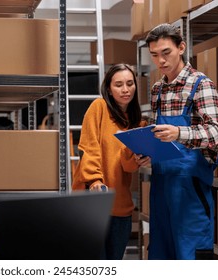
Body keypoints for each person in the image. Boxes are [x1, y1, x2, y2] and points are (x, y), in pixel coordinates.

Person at [141, 23, 218, 260]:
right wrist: (148, 151)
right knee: (161, 255)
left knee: (191, 257)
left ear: (181, 47)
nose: (161, 61)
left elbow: (217, 132)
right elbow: (161, 137)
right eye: (155, 55)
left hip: (191, 191)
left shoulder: (201, 84)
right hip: (161, 188)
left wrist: (179, 133)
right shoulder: (157, 89)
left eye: (166, 53)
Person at [72, 63, 147, 260]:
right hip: (93, 201)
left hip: (120, 205)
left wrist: (141, 157)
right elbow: (89, 147)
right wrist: (95, 180)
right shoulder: (99, 108)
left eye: (130, 84)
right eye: (119, 84)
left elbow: (128, 166)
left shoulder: (137, 122)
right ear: (109, 89)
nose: (125, 90)